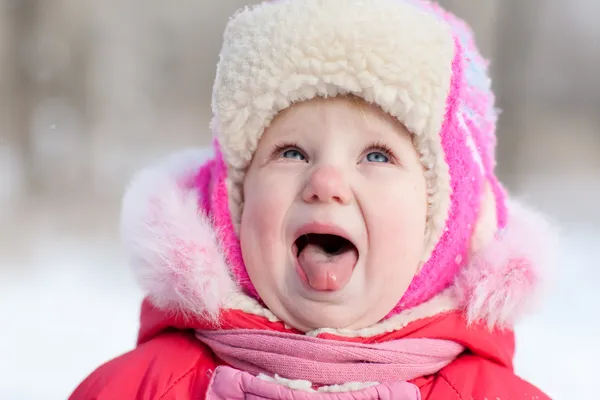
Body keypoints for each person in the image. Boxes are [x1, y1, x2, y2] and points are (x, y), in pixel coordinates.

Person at [70, 0, 558, 398]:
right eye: (291, 151)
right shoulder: (136, 389)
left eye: (377, 156)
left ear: (447, 218)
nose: (326, 181)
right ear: (232, 202)